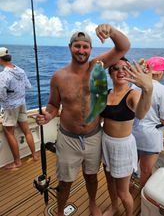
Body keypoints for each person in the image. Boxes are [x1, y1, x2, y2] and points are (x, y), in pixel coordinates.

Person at [36, 24, 131, 216]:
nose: (81, 50)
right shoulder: (58, 76)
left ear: (90, 49)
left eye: (85, 47)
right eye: (77, 46)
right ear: (69, 47)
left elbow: (123, 48)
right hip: (68, 138)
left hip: (94, 136)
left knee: (92, 176)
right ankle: (61, 210)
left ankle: (93, 203)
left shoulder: (98, 66)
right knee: (65, 180)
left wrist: (110, 31)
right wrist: (48, 115)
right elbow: (53, 105)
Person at [100, 57, 153, 216]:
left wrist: (147, 89)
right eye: (115, 68)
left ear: (130, 71)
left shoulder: (133, 94)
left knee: (123, 191)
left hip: (122, 147)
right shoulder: (106, 94)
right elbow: (98, 118)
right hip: (105, 143)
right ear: (110, 73)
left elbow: (141, 113)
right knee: (109, 183)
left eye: (125, 67)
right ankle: (114, 207)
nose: (121, 71)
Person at [132, 56, 164, 187]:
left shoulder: (134, 85)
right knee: (146, 171)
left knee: (130, 168)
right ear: (158, 73)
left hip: (132, 134)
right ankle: (142, 200)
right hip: (150, 138)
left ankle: (127, 190)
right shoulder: (163, 91)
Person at [0, 47, 38, 169]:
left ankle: (17, 162)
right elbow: (28, 85)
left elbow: (1, 93)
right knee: (26, 130)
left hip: (11, 106)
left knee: (8, 132)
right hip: (22, 103)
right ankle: (34, 155)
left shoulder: (4, 74)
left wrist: (6, 101)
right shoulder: (20, 70)